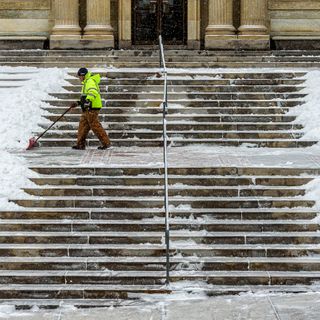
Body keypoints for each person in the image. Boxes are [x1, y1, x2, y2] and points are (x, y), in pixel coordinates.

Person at [71, 67, 111, 150]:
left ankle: (106, 143)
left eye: (79, 76)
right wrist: (78, 103)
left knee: (95, 126)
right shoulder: (86, 82)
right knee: (83, 126)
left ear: (83, 75)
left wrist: (88, 100)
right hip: (87, 108)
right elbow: (85, 96)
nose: (79, 78)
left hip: (92, 108)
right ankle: (80, 144)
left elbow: (93, 92)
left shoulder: (89, 81)